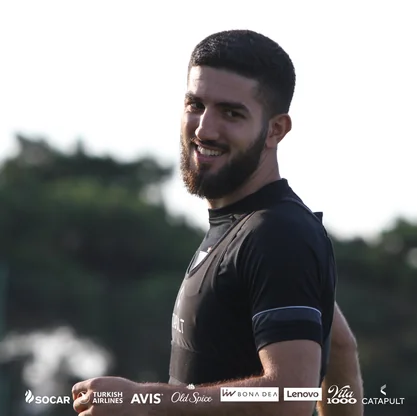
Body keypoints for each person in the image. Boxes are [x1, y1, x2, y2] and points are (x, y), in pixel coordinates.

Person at [73, 30, 363, 416]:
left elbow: (289, 397)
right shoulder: (246, 226)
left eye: (231, 113)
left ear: (275, 129)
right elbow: (338, 345)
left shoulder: (277, 234)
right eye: (195, 105)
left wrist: (146, 401)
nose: (204, 129)